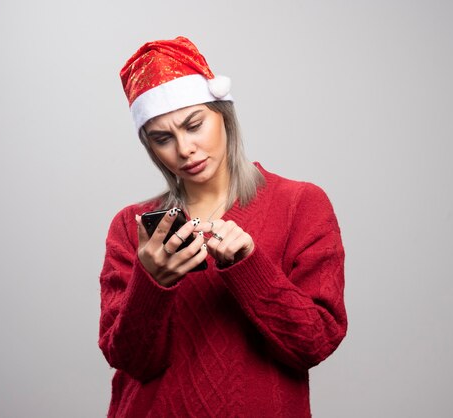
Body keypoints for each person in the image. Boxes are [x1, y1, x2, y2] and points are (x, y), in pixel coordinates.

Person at [98, 36, 347, 417]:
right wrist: (153, 282)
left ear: (224, 116)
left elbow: (313, 344)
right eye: (162, 138)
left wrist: (249, 267)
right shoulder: (133, 228)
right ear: (150, 148)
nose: (184, 149)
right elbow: (131, 361)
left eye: (194, 125)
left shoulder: (300, 204)